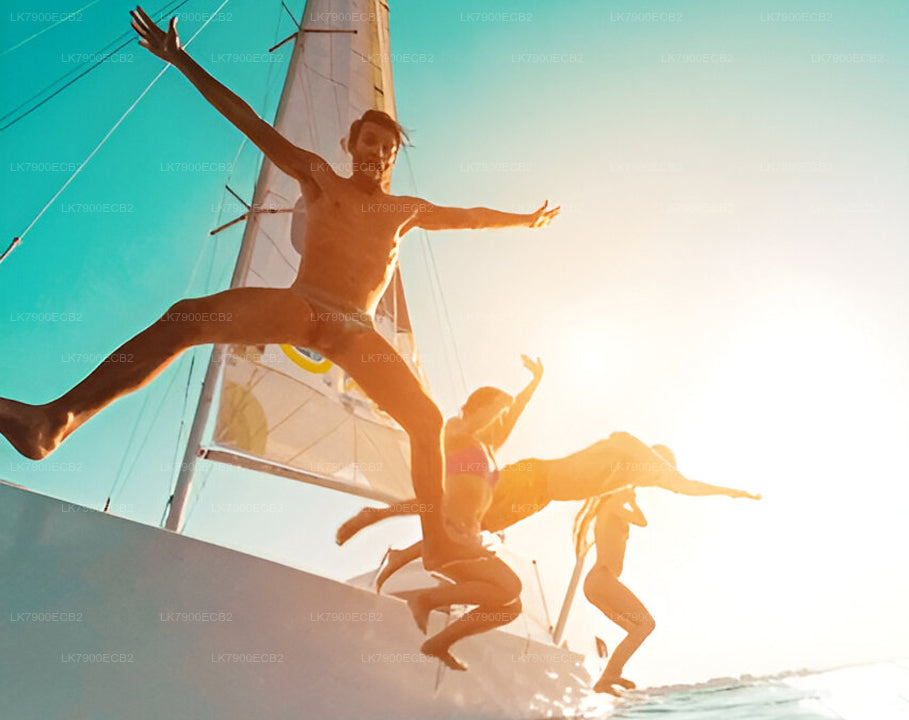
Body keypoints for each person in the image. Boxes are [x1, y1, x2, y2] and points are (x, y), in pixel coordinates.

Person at [0, 9, 558, 569]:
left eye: (387, 149)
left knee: (428, 420)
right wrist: (181, 59)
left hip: (357, 332)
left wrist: (523, 221)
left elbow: (469, 216)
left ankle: (437, 544)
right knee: (186, 318)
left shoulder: (402, 210)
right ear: (350, 144)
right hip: (303, 306)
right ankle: (54, 422)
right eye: (368, 142)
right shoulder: (319, 176)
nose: (377, 153)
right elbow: (249, 122)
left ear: (394, 158)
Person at [343, 433, 760, 590]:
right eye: (660, 468)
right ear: (655, 457)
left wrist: (729, 492)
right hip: (532, 476)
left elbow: (684, 486)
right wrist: (731, 491)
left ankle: (400, 556)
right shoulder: (629, 445)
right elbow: (683, 483)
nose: (660, 478)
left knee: (471, 527)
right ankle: (378, 514)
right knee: (458, 510)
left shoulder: (638, 474)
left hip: (538, 496)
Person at [410, 356, 542, 670]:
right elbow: (466, 426)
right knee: (510, 587)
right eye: (493, 411)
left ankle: (438, 644)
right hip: (448, 533)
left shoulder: (486, 445)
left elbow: (512, 416)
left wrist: (533, 384)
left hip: (470, 540)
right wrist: (497, 403)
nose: (497, 420)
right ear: (478, 407)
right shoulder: (454, 429)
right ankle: (425, 600)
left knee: (510, 607)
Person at [580, 486, 651, 695]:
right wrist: (628, 497)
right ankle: (610, 676)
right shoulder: (610, 506)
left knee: (636, 629)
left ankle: (608, 677)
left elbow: (640, 519)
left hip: (597, 582)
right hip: (602, 579)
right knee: (646, 624)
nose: (631, 491)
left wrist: (632, 501)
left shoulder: (614, 510)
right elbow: (641, 521)